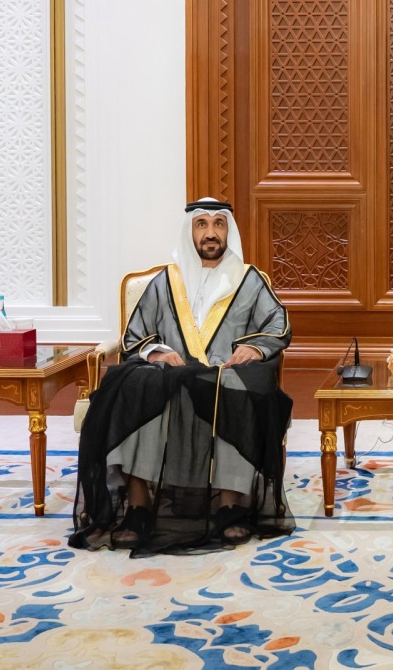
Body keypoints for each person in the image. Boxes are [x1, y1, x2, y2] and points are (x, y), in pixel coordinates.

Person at [69, 198, 294, 555]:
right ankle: (140, 506)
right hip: (171, 373)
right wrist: (157, 352)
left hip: (223, 372)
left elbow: (277, 325)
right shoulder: (164, 282)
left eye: (218, 225)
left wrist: (256, 347)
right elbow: (134, 334)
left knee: (237, 389)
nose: (210, 233)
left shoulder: (247, 280)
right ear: (189, 230)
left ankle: (229, 503)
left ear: (228, 232)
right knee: (134, 385)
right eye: (201, 225)